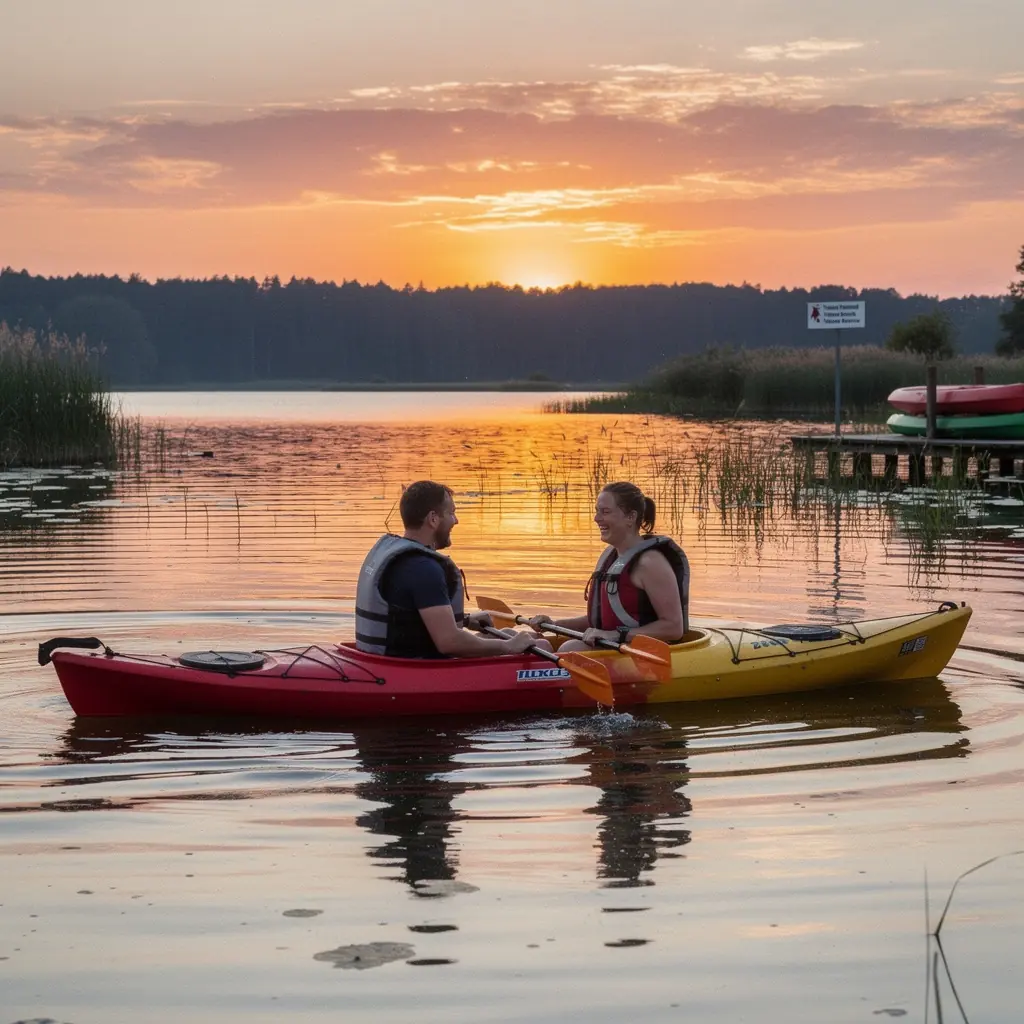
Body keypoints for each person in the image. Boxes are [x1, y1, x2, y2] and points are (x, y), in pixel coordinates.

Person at [355, 480, 543, 658]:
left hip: (385, 659)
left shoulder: (400, 557)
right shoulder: (424, 568)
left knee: (508, 633)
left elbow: (406, 615)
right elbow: (449, 642)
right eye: (451, 513)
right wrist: (508, 647)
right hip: (415, 668)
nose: (456, 520)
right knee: (540, 646)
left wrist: (465, 620)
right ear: (433, 519)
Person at [529, 481, 689, 651]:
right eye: (597, 511)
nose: (597, 518)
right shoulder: (612, 557)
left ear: (631, 517)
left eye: (605, 512)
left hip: (646, 654)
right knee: (531, 639)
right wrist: (553, 625)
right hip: (615, 647)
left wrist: (616, 635)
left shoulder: (650, 563)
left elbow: (673, 628)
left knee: (571, 648)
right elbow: (600, 622)